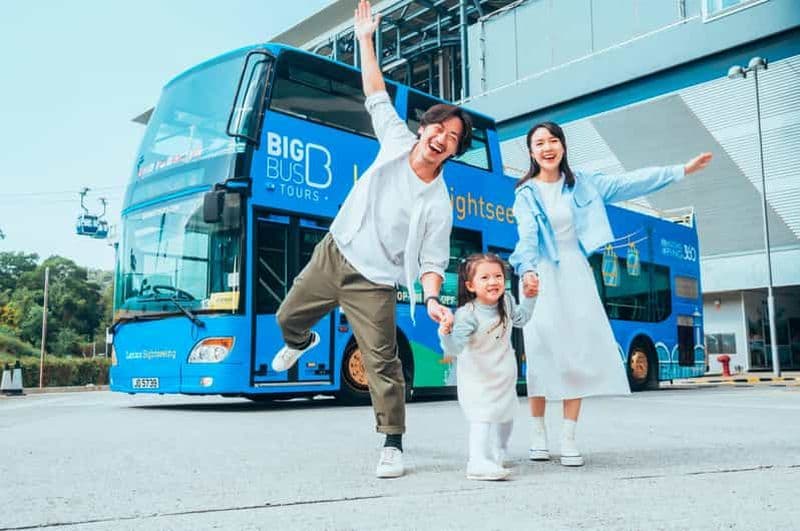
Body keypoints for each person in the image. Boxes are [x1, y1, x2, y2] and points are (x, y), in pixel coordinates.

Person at [270, 0, 473, 479]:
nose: (442, 138)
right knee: (285, 317)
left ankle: (393, 442)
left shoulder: (439, 203)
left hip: (376, 282)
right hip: (335, 252)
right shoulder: (397, 141)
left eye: (453, 138)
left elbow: (432, 261)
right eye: (438, 128)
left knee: (383, 363)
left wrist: (431, 298)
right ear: (423, 129)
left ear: (454, 151)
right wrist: (365, 39)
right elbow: (376, 93)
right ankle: (301, 341)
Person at [509, 121, 712, 466]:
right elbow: (527, 236)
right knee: (541, 353)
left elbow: (631, 182)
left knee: (575, 354)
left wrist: (680, 170)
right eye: (539, 143)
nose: (547, 148)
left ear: (563, 146)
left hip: (575, 272)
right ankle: (538, 433)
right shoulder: (526, 193)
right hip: (539, 273)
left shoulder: (585, 184)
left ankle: (569, 438)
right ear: (531, 152)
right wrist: (527, 270)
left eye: (553, 140)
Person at [438, 253, 537, 481]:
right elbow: (454, 348)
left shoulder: (507, 301)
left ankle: (499, 450)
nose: (493, 282)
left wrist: (531, 297)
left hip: (503, 372)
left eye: (498, 276)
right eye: (485, 277)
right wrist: (445, 333)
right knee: (481, 415)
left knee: (506, 413)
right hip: (477, 377)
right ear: (470, 286)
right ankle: (477, 461)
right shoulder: (467, 315)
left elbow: (521, 319)